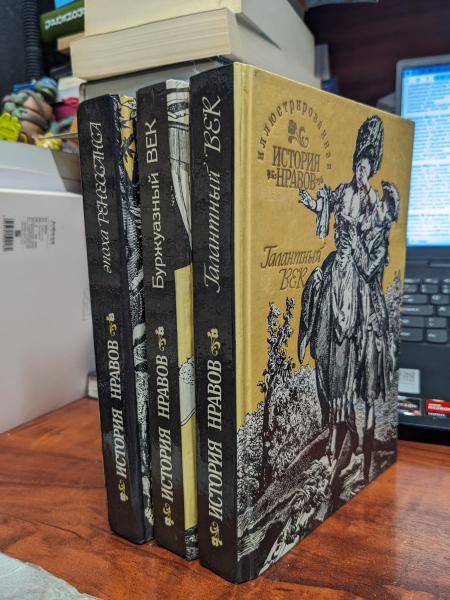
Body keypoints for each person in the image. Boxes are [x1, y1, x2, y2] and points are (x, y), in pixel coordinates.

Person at [297, 115, 388, 489]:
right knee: (315, 288)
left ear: (372, 167)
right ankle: (310, 338)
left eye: (368, 165)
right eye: (359, 163)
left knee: (353, 344)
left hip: (357, 276)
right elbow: (325, 218)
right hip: (337, 268)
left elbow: (374, 242)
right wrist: (314, 205)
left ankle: (348, 429)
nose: (362, 170)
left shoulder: (372, 200)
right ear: (355, 163)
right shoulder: (340, 191)